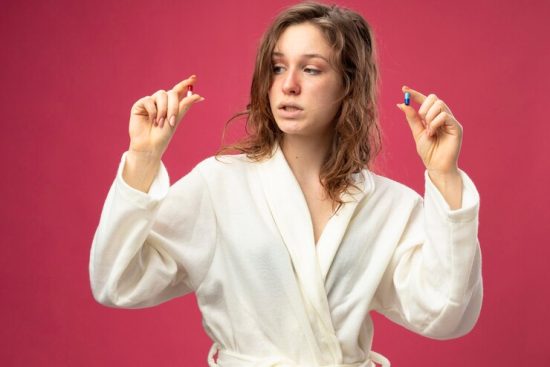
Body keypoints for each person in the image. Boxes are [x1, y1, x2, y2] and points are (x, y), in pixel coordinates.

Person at [89, 2, 483, 366]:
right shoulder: (219, 185)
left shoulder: (389, 206)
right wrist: (142, 158)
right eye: (278, 68)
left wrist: (444, 174)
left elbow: (446, 313)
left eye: (311, 69)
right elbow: (116, 282)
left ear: (349, 84)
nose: (288, 85)